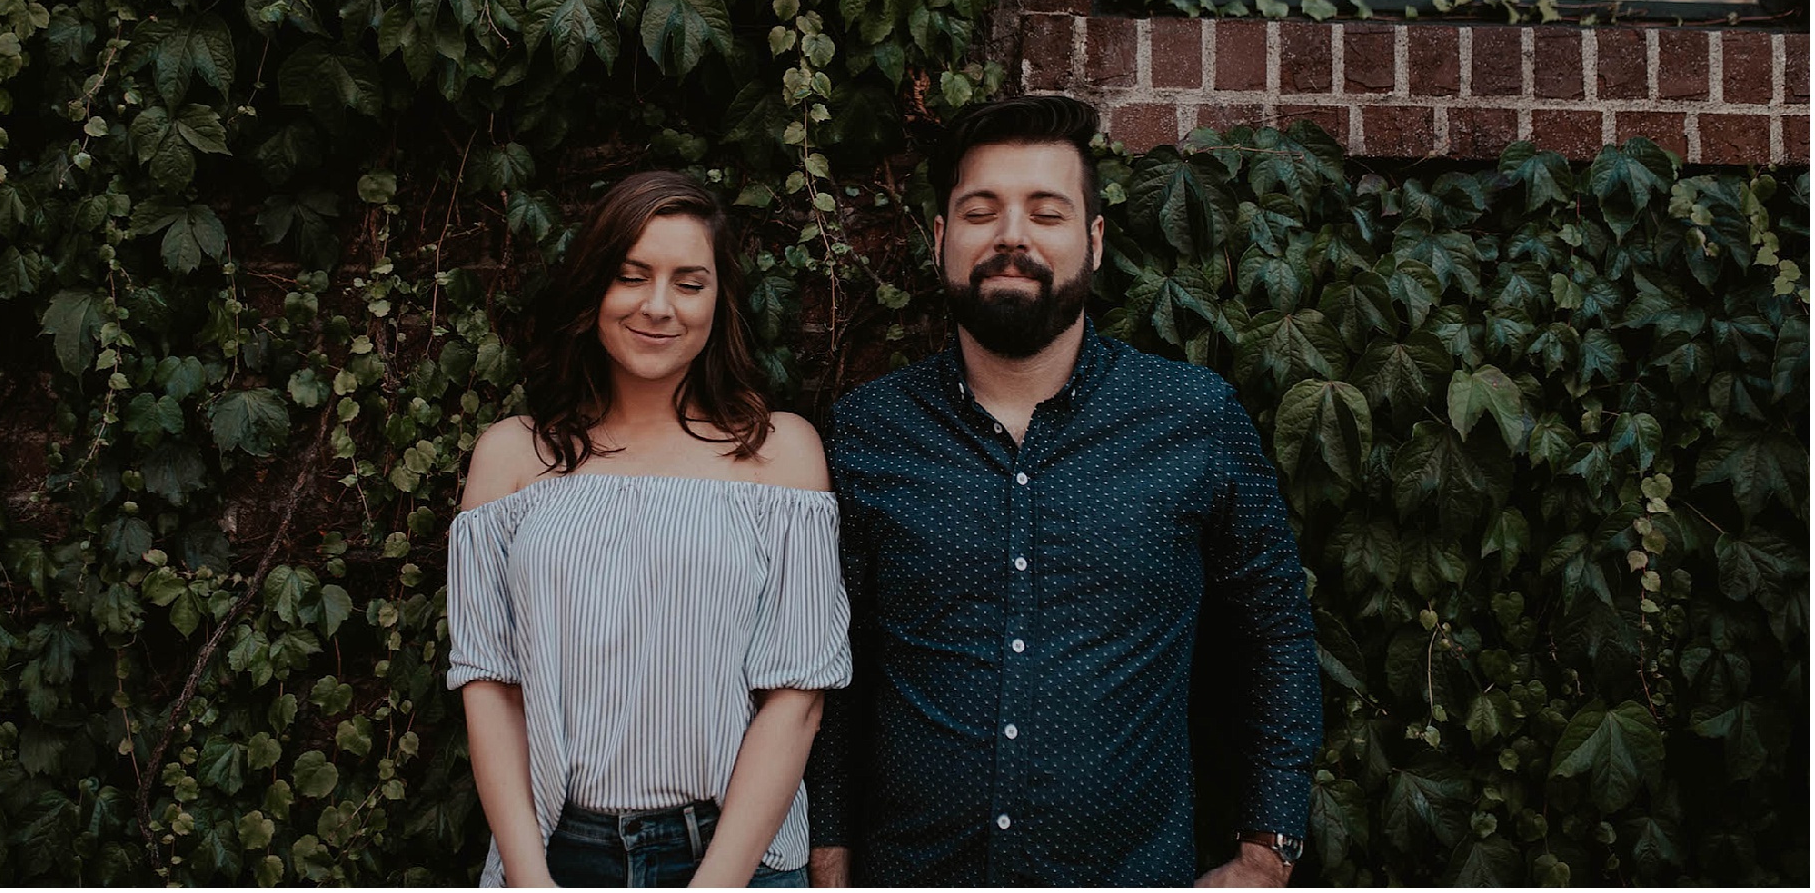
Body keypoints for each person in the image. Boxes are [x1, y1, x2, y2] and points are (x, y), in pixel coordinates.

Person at [805, 95, 1321, 887]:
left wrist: (1268, 848)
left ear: (1094, 240)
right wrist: (829, 844)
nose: (1012, 235)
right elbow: (833, 656)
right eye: (982, 211)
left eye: (1046, 213)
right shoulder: (868, 432)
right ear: (942, 239)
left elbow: (1275, 632)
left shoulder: (1194, 420)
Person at [447, 170, 851, 888]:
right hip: (553, 854)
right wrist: (530, 878)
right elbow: (490, 684)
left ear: (719, 299)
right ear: (594, 288)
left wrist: (716, 883)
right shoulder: (511, 458)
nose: (659, 307)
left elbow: (796, 694)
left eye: (689, 283)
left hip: (735, 857)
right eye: (632, 277)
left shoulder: (780, 453)